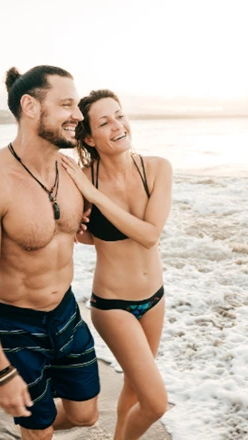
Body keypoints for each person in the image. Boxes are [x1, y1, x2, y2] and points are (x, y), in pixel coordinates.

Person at [0, 65, 100, 440]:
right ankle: (34, 425)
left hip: (66, 312)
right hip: (16, 324)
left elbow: (84, 230)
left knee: (86, 416)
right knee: (39, 433)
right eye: (67, 104)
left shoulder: (72, 173)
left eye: (78, 105)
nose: (78, 115)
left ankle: (40, 418)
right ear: (30, 107)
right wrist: (0, 371)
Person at [60, 89, 172, 440]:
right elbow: (75, 229)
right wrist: (80, 227)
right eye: (104, 122)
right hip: (113, 305)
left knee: (136, 390)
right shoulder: (81, 179)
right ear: (89, 137)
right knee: (155, 404)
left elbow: (149, 234)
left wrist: (93, 198)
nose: (118, 126)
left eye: (120, 116)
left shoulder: (156, 168)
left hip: (154, 298)